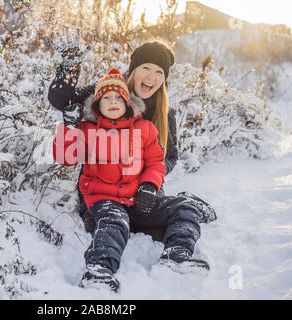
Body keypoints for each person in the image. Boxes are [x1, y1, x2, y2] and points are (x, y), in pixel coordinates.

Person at [53, 67, 208, 292]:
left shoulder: (145, 129)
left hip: (137, 199)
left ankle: (177, 254)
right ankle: (99, 269)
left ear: (128, 102)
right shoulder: (87, 130)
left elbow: (156, 162)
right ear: (97, 104)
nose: (113, 101)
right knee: (114, 222)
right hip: (103, 199)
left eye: (118, 97)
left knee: (185, 207)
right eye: (106, 98)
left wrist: (149, 185)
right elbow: (65, 158)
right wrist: (68, 127)